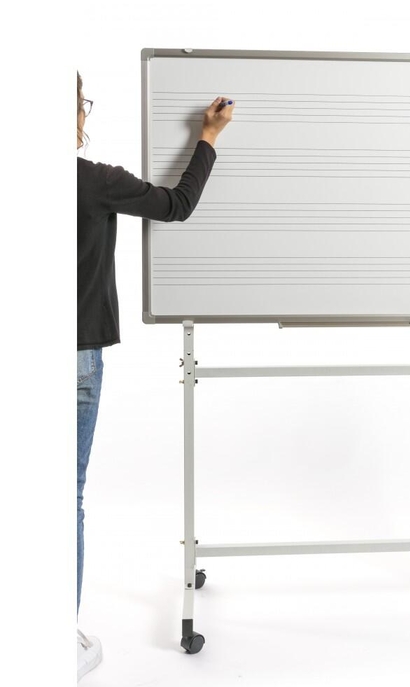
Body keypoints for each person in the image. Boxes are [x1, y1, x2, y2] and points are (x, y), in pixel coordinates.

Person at [76, 71, 233, 681]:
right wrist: (208, 138)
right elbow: (176, 206)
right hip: (74, 357)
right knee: (65, 496)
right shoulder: (93, 181)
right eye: (81, 104)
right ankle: (55, 638)